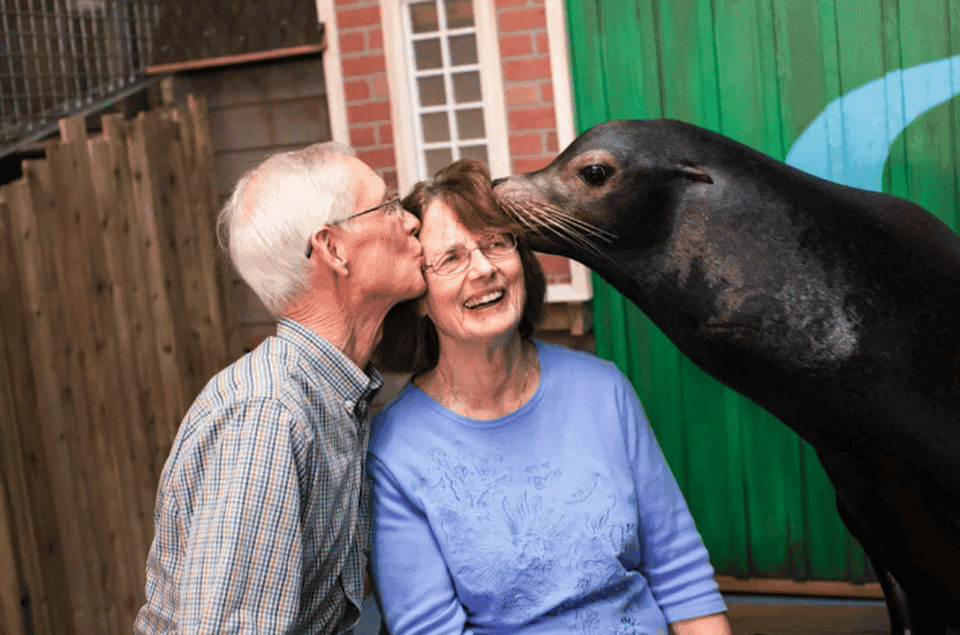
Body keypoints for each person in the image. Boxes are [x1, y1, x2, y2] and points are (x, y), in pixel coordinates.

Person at [367, 159, 731, 635]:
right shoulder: (396, 451)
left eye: (496, 243)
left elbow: (680, 574)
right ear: (419, 296)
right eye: (451, 258)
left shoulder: (602, 390)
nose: (483, 269)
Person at [134, 142, 426, 634]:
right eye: (388, 204)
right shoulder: (268, 416)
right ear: (333, 249)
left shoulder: (332, 395)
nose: (412, 221)